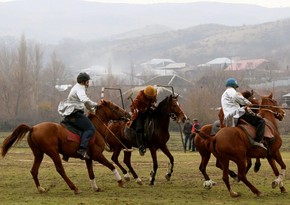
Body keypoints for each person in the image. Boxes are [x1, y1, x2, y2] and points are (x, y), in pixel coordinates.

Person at [58, 72, 98, 160]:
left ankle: (67, 153)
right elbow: (85, 100)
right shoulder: (81, 88)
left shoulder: (76, 86)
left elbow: (86, 103)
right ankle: (82, 150)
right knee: (90, 128)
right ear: (84, 82)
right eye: (88, 81)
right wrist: (96, 105)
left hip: (70, 114)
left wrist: (92, 109)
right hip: (75, 114)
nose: (88, 83)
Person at [221, 78, 266, 150]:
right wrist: (248, 103)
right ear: (234, 86)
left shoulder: (224, 94)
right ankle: (257, 142)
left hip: (228, 117)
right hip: (237, 113)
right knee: (261, 121)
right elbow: (237, 97)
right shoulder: (231, 91)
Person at [129, 85, 157, 156]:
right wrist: (135, 110)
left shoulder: (153, 95)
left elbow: (153, 103)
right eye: (149, 96)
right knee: (139, 128)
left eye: (152, 96)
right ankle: (141, 146)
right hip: (139, 114)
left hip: (148, 112)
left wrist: (153, 106)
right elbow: (132, 106)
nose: (150, 97)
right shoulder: (139, 97)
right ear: (146, 94)